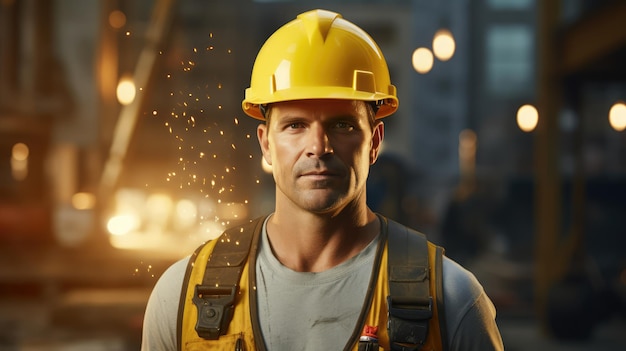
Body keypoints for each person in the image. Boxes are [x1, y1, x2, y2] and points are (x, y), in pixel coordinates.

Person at [141, 9, 504, 351]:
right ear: (266, 144)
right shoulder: (183, 297)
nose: (318, 146)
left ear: (374, 142)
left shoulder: (452, 302)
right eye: (295, 125)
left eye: (342, 125)